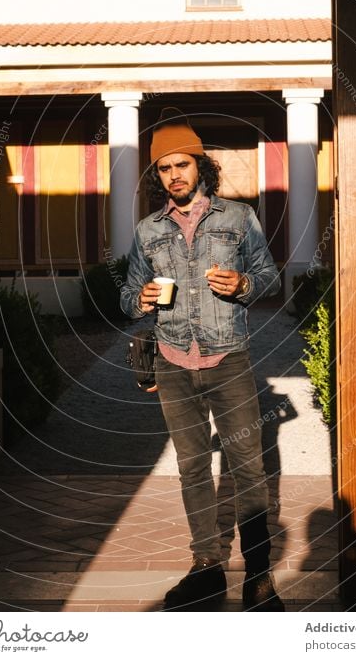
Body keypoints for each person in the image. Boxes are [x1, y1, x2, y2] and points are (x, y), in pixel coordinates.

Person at [121, 109, 284, 612]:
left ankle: (259, 575)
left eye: (182, 165)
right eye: (165, 168)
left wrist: (244, 285)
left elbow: (270, 277)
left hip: (228, 360)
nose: (175, 175)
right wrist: (141, 299)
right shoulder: (149, 231)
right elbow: (127, 296)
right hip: (172, 361)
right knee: (192, 468)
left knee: (248, 469)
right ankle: (206, 567)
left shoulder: (238, 218)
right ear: (158, 176)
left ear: (200, 166)